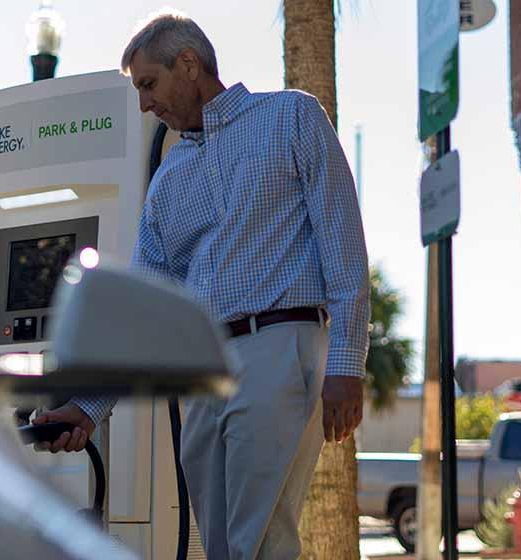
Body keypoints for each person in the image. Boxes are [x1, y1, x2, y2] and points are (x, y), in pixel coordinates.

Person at [32, 10, 369, 560]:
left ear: (187, 64)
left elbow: (343, 244)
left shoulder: (291, 118)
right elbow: (145, 313)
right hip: (202, 373)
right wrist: (87, 409)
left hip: (280, 349)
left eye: (149, 84)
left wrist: (347, 364)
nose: (144, 103)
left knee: (254, 541)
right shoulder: (167, 184)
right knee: (222, 547)